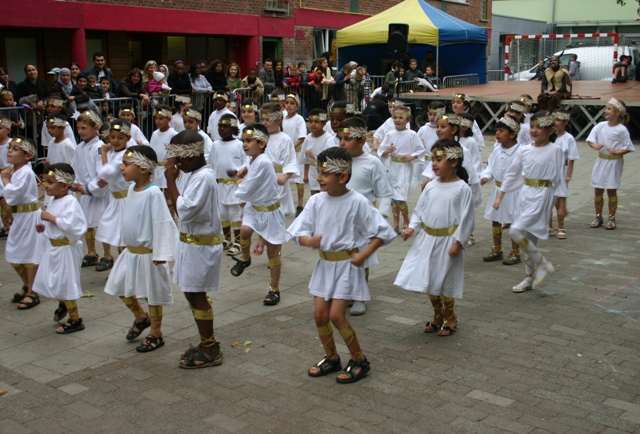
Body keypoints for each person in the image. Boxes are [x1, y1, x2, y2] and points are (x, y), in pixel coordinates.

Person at [288, 146, 396, 383]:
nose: (318, 178)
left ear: (343, 176)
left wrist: (363, 255)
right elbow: (299, 231)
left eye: (325, 173)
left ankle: (359, 359)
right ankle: (331, 357)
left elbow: (383, 232)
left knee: (337, 316)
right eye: (318, 172)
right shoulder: (316, 200)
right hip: (324, 266)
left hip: (347, 266)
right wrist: (309, 241)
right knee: (319, 316)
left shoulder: (357, 202)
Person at [395, 139, 473, 336]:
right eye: (433, 159)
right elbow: (420, 210)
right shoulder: (430, 186)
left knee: (445, 280)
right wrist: (412, 228)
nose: (434, 164)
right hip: (428, 239)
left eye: (439, 159)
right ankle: (438, 314)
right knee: (429, 278)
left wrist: (459, 242)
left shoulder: (462, 188)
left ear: (454, 162)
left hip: (448, 242)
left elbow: (467, 219)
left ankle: (450, 316)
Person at [103, 145, 177, 352]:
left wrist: (161, 253)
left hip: (149, 254)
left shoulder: (153, 193)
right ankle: (140, 316)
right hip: (131, 252)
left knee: (152, 294)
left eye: (126, 165)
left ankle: (156, 333)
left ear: (143, 168)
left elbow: (163, 222)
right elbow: (129, 217)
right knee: (119, 286)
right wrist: (123, 240)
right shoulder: (130, 189)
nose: (122, 169)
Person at [162, 130, 224, 368]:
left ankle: (210, 349)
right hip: (191, 245)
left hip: (202, 248)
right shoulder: (193, 174)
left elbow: (185, 210)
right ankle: (207, 342)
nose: (176, 163)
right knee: (191, 293)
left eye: (179, 157)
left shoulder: (203, 177)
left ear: (192, 155)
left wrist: (169, 182)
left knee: (197, 295)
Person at [493, 111, 563, 293]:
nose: (534, 130)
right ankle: (529, 278)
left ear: (550, 130)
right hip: (525, 194)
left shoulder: (555, 150)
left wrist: (561, 203)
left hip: (543, 195)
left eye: (539, 127)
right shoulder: (524, 150)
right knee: (529, 238)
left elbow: (559, 178)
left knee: (515, 231)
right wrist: (500, 196)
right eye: (532, 126)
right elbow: (512, 173)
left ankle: (542, 264)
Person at [231, 124, 291, 307]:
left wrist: (239, 181)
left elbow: (247, 188)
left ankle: (274, 288)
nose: (244, 145)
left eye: (248, 141)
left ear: (262, 142)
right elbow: (251, 167)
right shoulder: (254, 159)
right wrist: (244, 169)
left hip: (270, 212)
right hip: (255, 208)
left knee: (273, 253)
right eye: (243, 141)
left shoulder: (264, 162)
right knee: (245, 231)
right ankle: (245, 258)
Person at [339, 117, 393, 316]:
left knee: (362, 258)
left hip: (364, 218)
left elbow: (385, 191)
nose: (342, 143)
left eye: (347, 139)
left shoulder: (372, 163)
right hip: (341, 218)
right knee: (344, 256)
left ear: (362, 141)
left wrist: (381, 215)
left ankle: (360, 296)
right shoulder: (339, 161)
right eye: (340, 138)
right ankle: (347, 292)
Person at [33, 163, 88, 333]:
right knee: (52, 280)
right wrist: (45, 227)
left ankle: (75, 319)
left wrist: (52, 218)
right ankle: (64, 303)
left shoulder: (70, 201)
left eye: (49, 182)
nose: (45, 186)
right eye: (45, 181)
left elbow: (75, 226)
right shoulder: (54, 200)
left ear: (64, 186)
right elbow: (55, 224)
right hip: (54, 249)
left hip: (66, 249)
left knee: (66, 283)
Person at [2, 136, 42, 309]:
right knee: (15, 253)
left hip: (29, 217)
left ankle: (33, 292)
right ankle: (28, 284)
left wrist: (5, 179)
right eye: (10, 147)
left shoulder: (24, 172)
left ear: (28, 155)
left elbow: (13, 195)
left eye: (16, 149)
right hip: (20, 218)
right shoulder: (15, 171)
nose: (10, 151)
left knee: (29, 254)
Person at [480, 116, 522, 265]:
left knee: (514, 220)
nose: (497, 133)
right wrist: (485, 177)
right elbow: (491, 167)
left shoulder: (521, 152)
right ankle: (497, 249)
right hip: (498, 189)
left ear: (512, 134)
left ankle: (515, 251)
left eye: (501, 131)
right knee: (496, 219)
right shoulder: (497, 151)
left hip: (514, 191)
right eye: (497, 130)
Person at [587, 98, 634, 230]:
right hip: (601, 161)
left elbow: (628, 147)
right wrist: (595, 146)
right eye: (606, 108)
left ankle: (612, 218)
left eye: (609, 109)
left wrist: (617, 151)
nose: (606, 111)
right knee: (598, 188)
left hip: (614, 162)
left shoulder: (621, 129)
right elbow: (590, 140)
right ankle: (598, 216)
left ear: (618, 112)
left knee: (611, 190)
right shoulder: (600, 125)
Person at [377, 104, 425, 233]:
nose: (397, 120)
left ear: (408, 119)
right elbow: (381, 150)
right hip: (392, 167)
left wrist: (412, 156)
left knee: (401, 197)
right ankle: (396, 224)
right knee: (393, 198)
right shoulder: (390, 134)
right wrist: (386, 151)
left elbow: (420, 150)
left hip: (404, 169)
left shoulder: (412, 134)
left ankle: (406, 220)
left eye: (401, 117)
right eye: (395, 117)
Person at [94, 119, 132, 272]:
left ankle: (126, 272)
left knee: (124, 238)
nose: (115, 141)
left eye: (120, 138)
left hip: (125, 200)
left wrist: (103, 153)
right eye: (113, 137)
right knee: (116, 235)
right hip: (115, 199)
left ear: (128, 138)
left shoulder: (123, 155)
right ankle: (122, 270)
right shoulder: (115, 153)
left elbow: (106, 173)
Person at [210, 114, 247, 255]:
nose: (222, 129)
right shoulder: (215, 145)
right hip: (220, 184)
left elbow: (245, 163)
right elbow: (212, 163)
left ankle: (238, 242)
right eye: (220, 126)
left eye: (226, 127)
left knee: (234, 213)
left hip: (234, 185)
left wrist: (238, 173)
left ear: (233, 128)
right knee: (223, 213)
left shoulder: (239, 145)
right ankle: (227, 239)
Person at [260, 102, 299, 216]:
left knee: (277, 212)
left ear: (279, 120)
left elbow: (291, 160)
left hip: (277, 179)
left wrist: (285, 177)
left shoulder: (285, 139)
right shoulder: (260, 137)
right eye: (262, 119)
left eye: (268, 120)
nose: (264, 123)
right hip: (262, 178)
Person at [549, 110, 579, 239]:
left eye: (558, 120)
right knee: (549, 199)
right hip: (550, 170)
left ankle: (561, 226)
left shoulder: (569, 139)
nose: (555, 123)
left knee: (560, 199)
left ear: (565, 122)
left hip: (562, 170)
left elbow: (571, 158)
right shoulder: (550, 136)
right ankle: (549, 226)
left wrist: (569, 174)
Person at [281, 93, 308, 216]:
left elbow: (301, 138)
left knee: (299, 179)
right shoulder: (282, 117)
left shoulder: (299, 119)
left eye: (292, 103)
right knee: (283, 178)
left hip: (295, 153)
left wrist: (290, 147)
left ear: (297, 106)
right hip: (283, 154)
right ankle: (283, 203)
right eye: (287, 103)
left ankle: (300, 204)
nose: (289, 105)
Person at [148, 105, 178, 208]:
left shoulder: (173, 134)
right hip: (156, 168)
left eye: (161, 118)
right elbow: (152, 150)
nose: (158, 121)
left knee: (168, 193)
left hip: (166, 167)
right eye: (156, 118)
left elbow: (174, 152)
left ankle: (171, 213)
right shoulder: (155, 134)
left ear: (169, 119)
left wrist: (172, 162)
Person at [302, 109, 333, 196]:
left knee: (324, 193)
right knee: (314, 193)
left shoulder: (328, 138)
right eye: (311, 121)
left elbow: (329, 158)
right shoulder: (308, 138)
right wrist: (305, 175)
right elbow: (306, 160)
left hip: (324, 171)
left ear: (323, 123)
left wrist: (314, 157)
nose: (313, 124)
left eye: (316, 121)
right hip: (312, 172)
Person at [0, 116, 13, 237]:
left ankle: (13, 221)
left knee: (4, 200)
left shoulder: (11, 144)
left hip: (7, 175)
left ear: (8, 130)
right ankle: (5, 225)